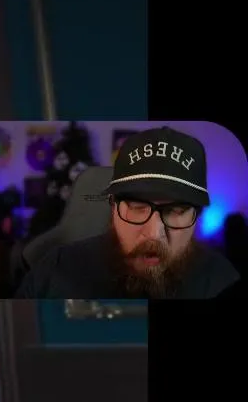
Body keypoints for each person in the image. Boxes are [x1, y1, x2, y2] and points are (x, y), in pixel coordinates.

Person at [15, 126, 239, 299]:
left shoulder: (221, 282)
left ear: (196, 216)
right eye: (138, 208)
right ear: (113, 207)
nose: (154, 233)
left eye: (175, 211)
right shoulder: (54, 275)